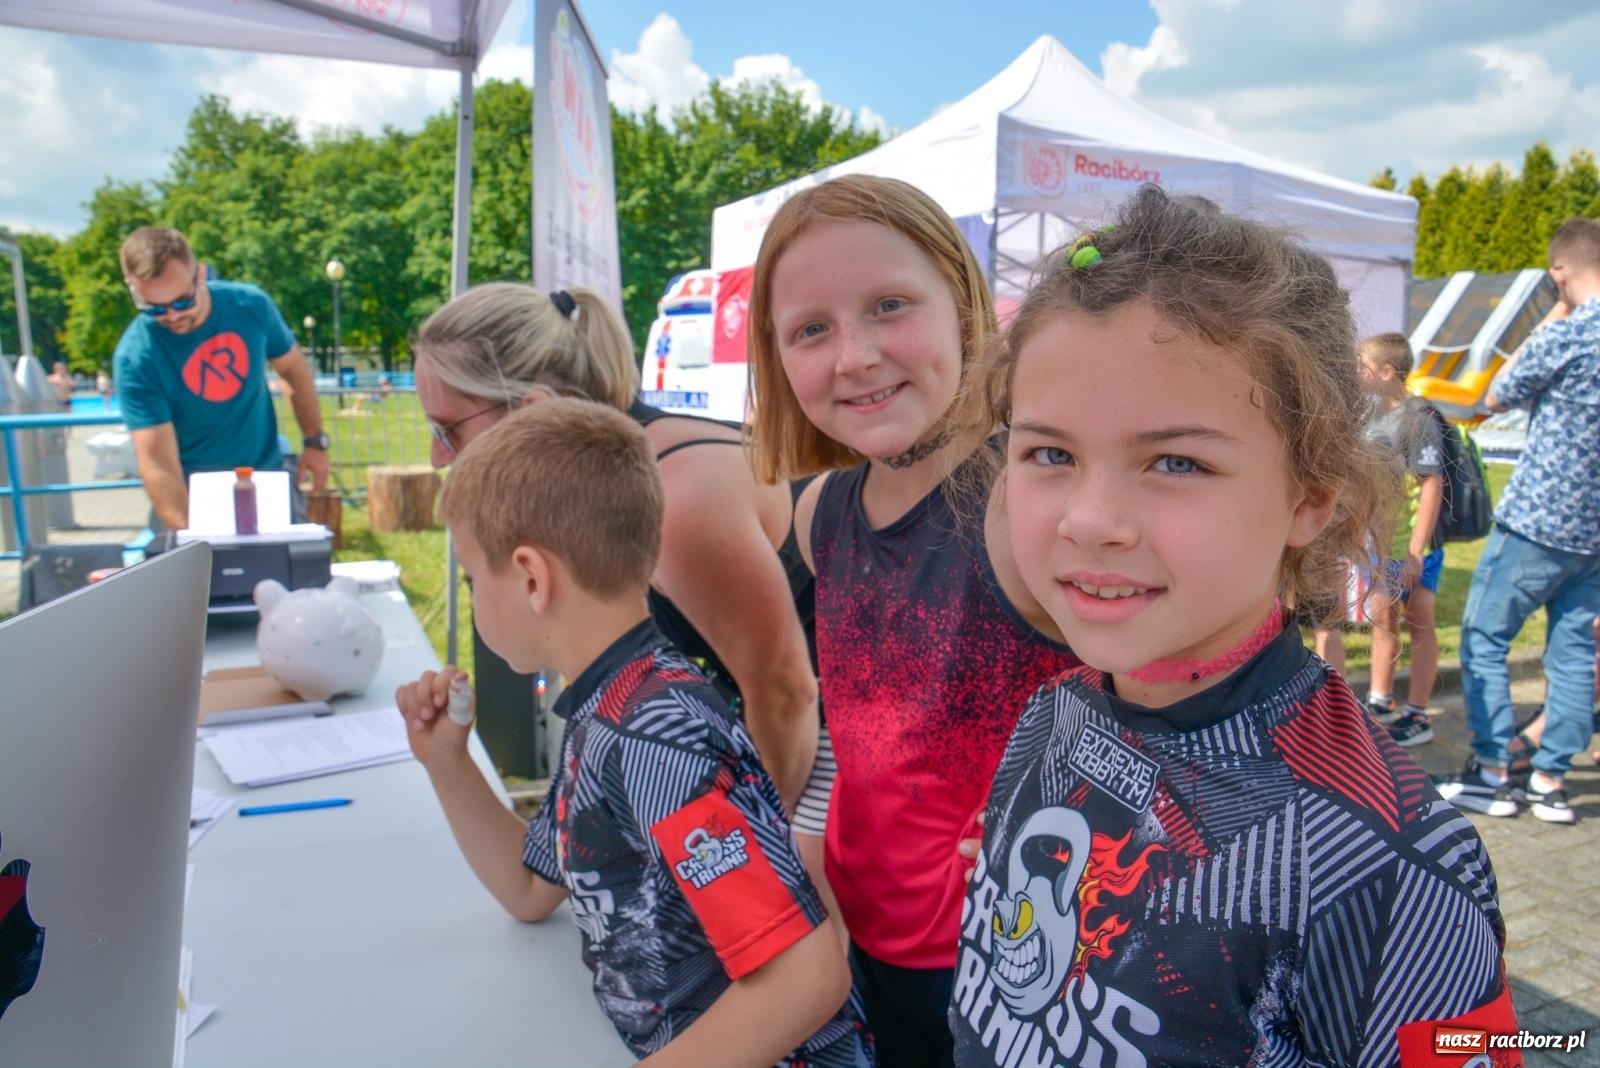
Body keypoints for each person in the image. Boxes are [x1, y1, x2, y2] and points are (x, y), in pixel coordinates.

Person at [948, 186, 1514, 1066]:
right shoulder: (1052, 715)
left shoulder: (1385, 864)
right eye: (1050, 453)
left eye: (1176, 460)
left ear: (1311, 496)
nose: (1092, 520)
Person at [393, 398, 871, 1066]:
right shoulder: (606, 707)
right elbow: (530, 891)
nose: (475, 599)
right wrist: (447, 762)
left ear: (531, 576)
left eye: (475, 578)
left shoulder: (657, 741)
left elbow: (806, 979)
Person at [746, 175, 1077, 1067]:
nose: (852, 356)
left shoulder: (1026, 499)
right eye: (811, 329)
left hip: (1004, 962)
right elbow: (864, 738)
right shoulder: (820, 516)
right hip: (858, 930)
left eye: (889, 306)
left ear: (965, 309)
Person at [409, 283, 835, 929]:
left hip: (835, 734)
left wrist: (739, 863)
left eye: (447, 428)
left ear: (531, 408)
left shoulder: (674, 502)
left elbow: (787, 697)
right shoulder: (592, 498)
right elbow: (535, 884)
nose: (438, 456)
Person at [1443, 216, 1600, 825]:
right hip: (1593, 535)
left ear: (1559, 272)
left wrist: (1557, 311)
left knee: (1483, 637)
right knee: (1572, 654)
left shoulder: (1574, 330)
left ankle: (1492, 773)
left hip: (1538, 519)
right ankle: (1551, 779)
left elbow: (1499, 391)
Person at [112, 227, 328, 531]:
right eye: (154, 308)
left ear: (199, 275)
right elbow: (158, 465)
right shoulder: (136, 357)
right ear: (133, 289)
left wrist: (314, 441)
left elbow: (293, 367)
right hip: (190, 494)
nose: (172, 316)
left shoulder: (249, 306)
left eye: (183, 302)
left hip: (264, 479)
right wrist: (193, 543)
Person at [1356, 332, 1447, 747]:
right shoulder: (1373, 415)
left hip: (1413, 546)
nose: (1358, 373)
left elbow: (1431, 486)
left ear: (1388, 372)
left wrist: (1415, 551)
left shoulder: (1418, 420)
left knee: (1419, 621)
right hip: (1380, 542)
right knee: (1382, 616)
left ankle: (1417, 713)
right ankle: (1379, 702)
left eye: (1364, 367)